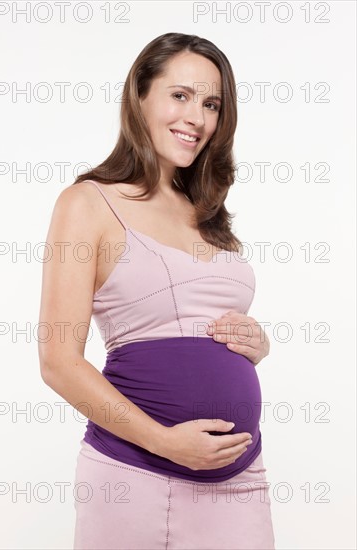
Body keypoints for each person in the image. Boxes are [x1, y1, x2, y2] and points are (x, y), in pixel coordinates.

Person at [38, 32, 275, 550]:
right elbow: (57, 360)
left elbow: (194, 327)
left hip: (241, 476)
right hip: (134, 472)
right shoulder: (88, 203)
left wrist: (257, 345)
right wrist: (165, 442)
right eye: (180, 95)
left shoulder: (209, 216)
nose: (197, 117)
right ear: (139, 96)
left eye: (211, 103)